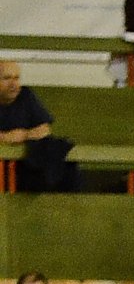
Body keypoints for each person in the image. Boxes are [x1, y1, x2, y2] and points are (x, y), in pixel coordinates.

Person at [0, 60, 78, 193]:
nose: (13, 84)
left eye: (16, 78)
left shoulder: (26, 95)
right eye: (7, 78)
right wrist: (6, 137)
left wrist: (23, 135)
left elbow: (44, 129)